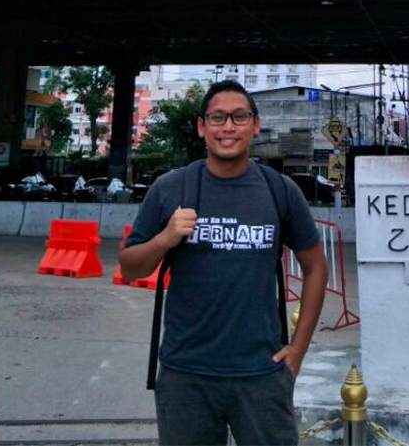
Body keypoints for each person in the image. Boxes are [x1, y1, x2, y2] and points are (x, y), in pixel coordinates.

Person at [121, 79, 328, 446]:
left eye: (238, 117)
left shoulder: (279, 190)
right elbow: (130, 266)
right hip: (186, 375)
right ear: (202, 127)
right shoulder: (170, 188)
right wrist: (166, 238)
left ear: (255, 124)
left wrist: (297, 350)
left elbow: (315, 268)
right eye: (217, 117)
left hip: (262, 373)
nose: (228, 127)